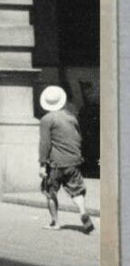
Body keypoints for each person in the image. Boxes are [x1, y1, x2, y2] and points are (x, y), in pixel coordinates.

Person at [38, 85, 94, 234]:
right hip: (73, 161)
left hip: (55, 164)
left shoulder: (47, 119)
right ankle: (82, 212)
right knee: (77, 190)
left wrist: (42, 164)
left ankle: (55, 222)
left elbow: (45, 143)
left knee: (49, 191)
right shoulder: (71, 117)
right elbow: (78, 137)